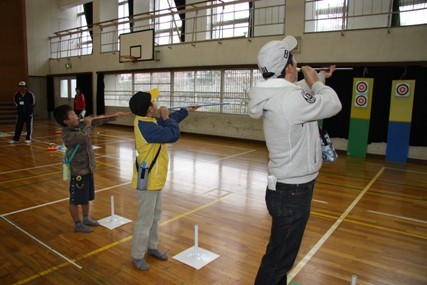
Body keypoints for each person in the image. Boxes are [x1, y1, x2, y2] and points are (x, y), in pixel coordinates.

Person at [248, 36, 342, 285]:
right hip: (293, 193)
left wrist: (319, 78)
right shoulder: (289, 100)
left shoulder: (277, 95)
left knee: (280, 259)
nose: (298, 64)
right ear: (289, 68)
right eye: (294, 59)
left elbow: (297, 91)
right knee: (278, 262)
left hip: (286, 189)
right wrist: (317, 83)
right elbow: (332, 104)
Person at [129, 90, 199, 270]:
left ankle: (152, 247)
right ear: (149, 110)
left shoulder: (148, 120)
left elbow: (170, 121)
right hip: (148, 178)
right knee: (145, 219)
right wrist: (166, 118)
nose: (156, 103)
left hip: (156, 177)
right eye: (153, 102)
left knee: (155, 215)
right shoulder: (147, 127)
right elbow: (172, 133)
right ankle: (137, 255)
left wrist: (185, 110)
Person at [53, 105, 122, 233]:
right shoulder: (67, 134)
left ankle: (86, 218)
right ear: (66, 121)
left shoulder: (79, 126)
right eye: (72, 115)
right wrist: (88, 125)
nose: (76, 116)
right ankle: (77, 223)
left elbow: (96, 120)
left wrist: (114, 116)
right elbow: (83, 137)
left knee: (86, 197)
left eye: (75, 113)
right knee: (75, 199)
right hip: (78, 171)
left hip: (88, 169)